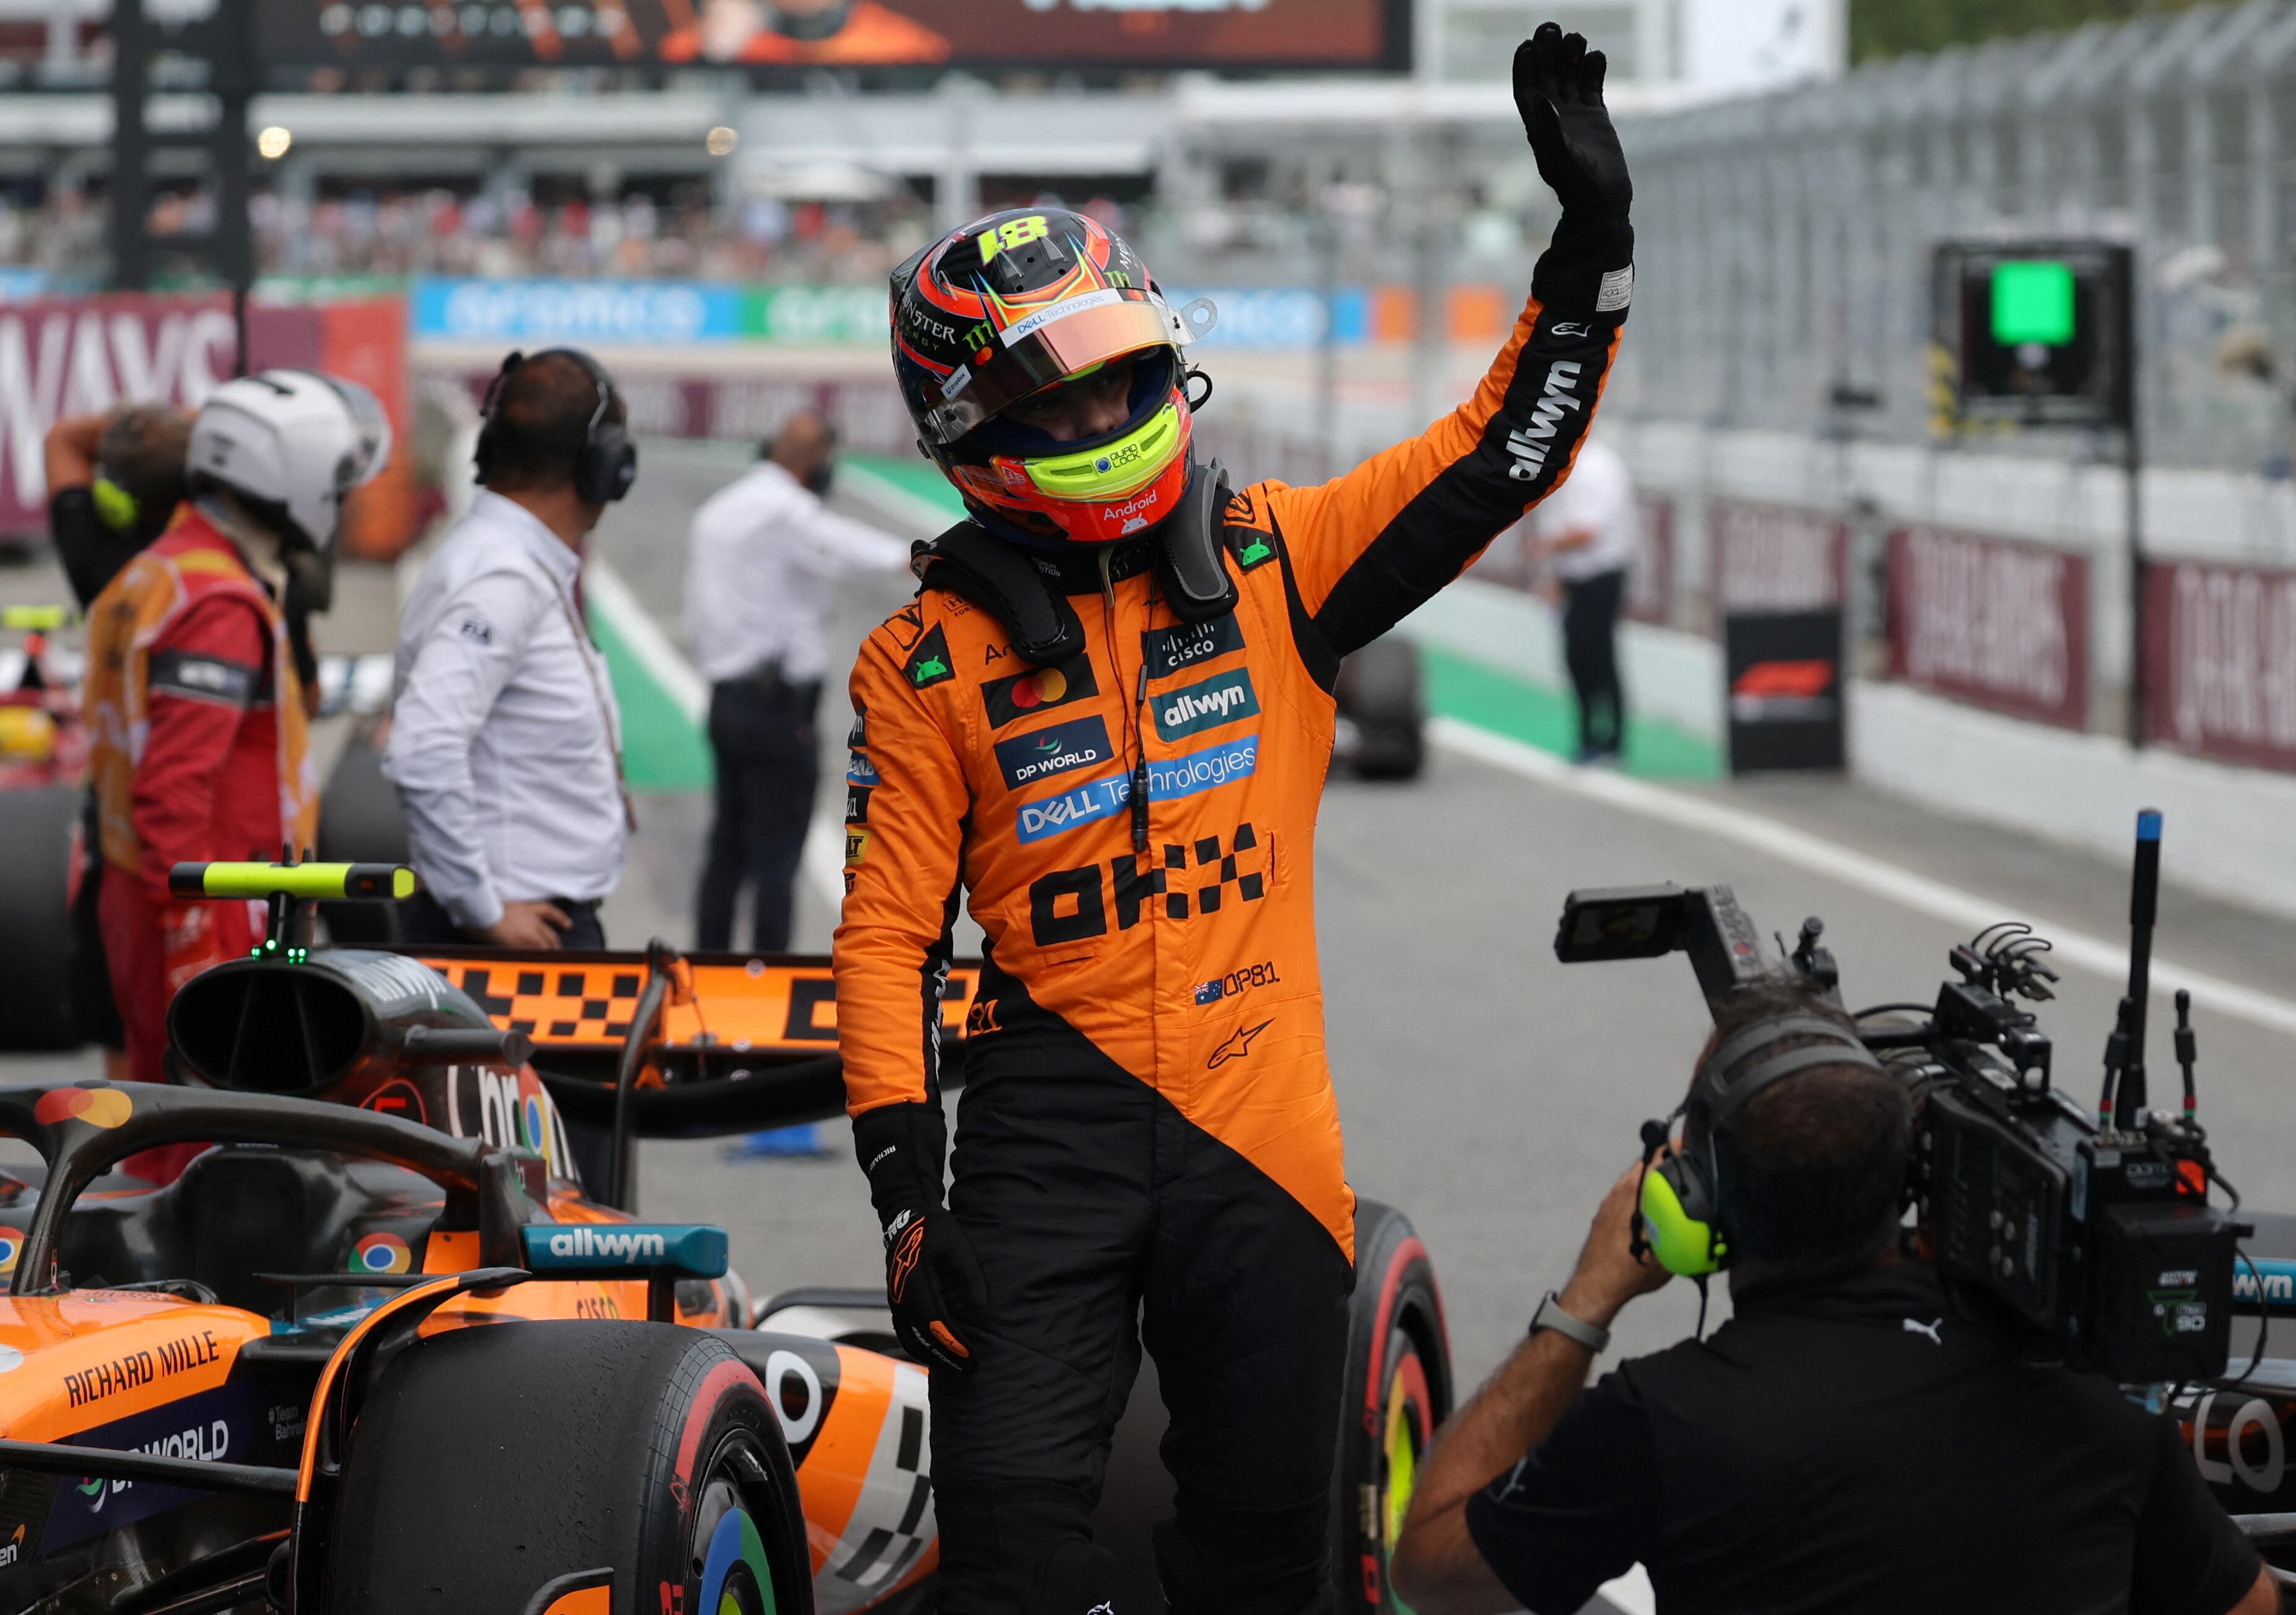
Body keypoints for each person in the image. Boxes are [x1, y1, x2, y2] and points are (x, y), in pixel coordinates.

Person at [834, 25, 1633, 1615]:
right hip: (1035, 1132)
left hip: (1259, 1132)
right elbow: (883, 932)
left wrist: (1588, 252)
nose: (1119, 407)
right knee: (1000, 1543)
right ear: (968, 430)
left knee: (1269, 1555)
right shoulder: (921, 657)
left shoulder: (1283, 557)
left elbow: (1494, 456)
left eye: (1133, 369)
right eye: (1072, 394)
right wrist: (905, 1189)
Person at [1389, 978, 2276, 1615]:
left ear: (1697, 1199)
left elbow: (1428, 1565)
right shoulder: (2099, 1401)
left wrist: (1588, 1299)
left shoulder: (1658, 1422)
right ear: (1909, 1176)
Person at [82, 370, 388, 1179]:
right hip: (203, 902)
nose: (343, 499)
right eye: (334, 479)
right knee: (202, 1154)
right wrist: (194, 942)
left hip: (150, 891)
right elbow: (173, 790)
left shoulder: (163, 567)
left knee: (156, 1129)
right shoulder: (216, 600)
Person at [383, 347, 637, 954]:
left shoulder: (507, 559)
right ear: (605, 467)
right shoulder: (504, 576)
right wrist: (482, 910)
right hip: (514, 938)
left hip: (523, 921)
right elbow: (422, 749)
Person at [684, 412, 907, 954]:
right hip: (778, 707)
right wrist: (918, 556)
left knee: (728, 843)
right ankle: (769, 978)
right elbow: (850, 547)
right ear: (814, 463)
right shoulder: (788, 510)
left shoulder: (720, 510)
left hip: (727, 697)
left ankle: (707, 962)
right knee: (778, 855)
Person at [45, 404, 194, 1077]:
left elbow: (63, 439)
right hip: (208, 851)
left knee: (125, 1044)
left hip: (120, 847)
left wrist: (143, 422)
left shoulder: (102, 562)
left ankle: (129, 1170)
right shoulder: (218, 569)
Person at [1525, 431, 1637, 764]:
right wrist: (1553, 575)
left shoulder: (1597, 467)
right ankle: (1589, 737)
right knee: (1577, 659)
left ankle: (1612, 742)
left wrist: (1546, 547)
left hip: (1600, 577)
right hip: (1574, 577)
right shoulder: (1565, 465)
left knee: (1600, 657)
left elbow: (1588, 532)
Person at [45, 404, 193, 612]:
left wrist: (130, 427)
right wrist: (170, 429)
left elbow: (64, 438)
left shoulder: (98, 564)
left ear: (115, 492)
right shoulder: (222, 542)